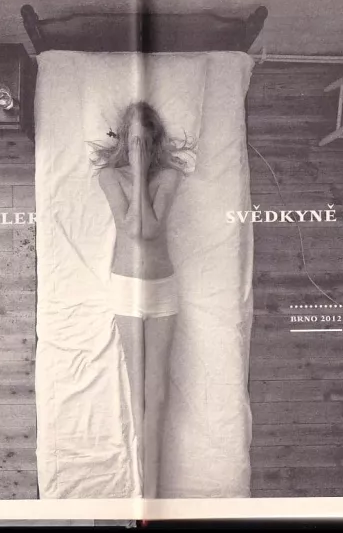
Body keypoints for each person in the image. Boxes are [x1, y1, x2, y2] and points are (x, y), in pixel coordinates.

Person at [91, 101, 193, 498]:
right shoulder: (109, 176)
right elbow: (133, 230)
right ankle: (144, 489)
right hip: (126, 288)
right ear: (124, 139)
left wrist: (142, 172)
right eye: (134, 141)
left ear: (154, 140)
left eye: (146, 141)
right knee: (138, 387)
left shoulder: (169, 175)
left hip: (163, 287)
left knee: (159, 390)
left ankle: (154, 486)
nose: (140, 147)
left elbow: (151, 230)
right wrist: (134, 173)